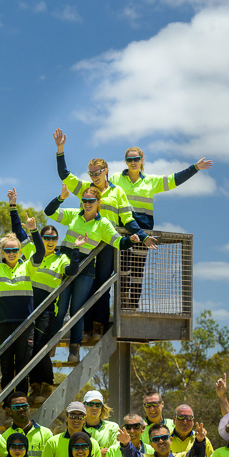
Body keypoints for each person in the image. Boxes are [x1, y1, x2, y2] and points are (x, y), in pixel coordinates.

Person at [53, 129, 156, 341]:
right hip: (86, 244)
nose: (94, 176)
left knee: (102, 283)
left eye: (97, 172)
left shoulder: (117, 192)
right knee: (85, 283)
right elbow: (64, 175)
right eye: (91, 173)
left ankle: (98, 326)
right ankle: (84, 327)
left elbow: (127, 219)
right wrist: (60, 150)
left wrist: (143, 236)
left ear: (106, 171)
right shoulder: (86, 189)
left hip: (107, 244)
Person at [44, 182, 144, 363]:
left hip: (85, 270)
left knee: (76, 311)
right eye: (84, 200)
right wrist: (61, 198)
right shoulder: (73, 215)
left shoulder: (103, 224)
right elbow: (49, 212)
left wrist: (131, 239)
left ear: (98, 202)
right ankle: (51, 345)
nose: (87, 204)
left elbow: (118, 242)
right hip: (65, 266)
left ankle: (74, 349)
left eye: (91, 201)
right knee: (60, 309)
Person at [110, 146, 212, 309]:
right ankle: (122, 305)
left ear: (142, 160)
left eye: (136, 159)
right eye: (129, 160)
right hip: (123, 231)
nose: (133, 162)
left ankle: (133, 307)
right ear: (125, 161)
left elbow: (174, 180)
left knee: (137, 271)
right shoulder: (116, 178)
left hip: (144, 233)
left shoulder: (151, 181)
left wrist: (195, 168)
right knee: (123, 269)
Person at [8, 188, 84, 404]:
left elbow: (72, 271)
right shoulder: (33, 250)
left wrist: (76, 250)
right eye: (47, 237)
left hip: (47, 310)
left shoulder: (61, 259)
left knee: (40, 348)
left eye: (54, 237)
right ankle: (35, 387)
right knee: (28, 349)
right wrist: (13, 206)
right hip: (27, 307)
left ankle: (46, 385)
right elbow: (18, 231)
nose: (50, 240)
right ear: (41, 238)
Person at [0, 211, 44, 394]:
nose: (11, 253)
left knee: (23, 366)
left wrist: (34, 230)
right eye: (8, 250)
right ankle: (6, 401)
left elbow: (40, 252)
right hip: (3, 324)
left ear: (20, 251)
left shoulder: (28, 266)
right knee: (6, 366)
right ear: (2, 252)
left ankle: (20, 402)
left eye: (15, 250)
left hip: (25, 324)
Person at [82, 390, 120, 455]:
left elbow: (117, 450)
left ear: (102, 407)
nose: (94, 408)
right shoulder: (77, 428)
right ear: (84, 405)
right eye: (90, 404)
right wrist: (98, 453)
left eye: (98, 405)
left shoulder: (112, 427)